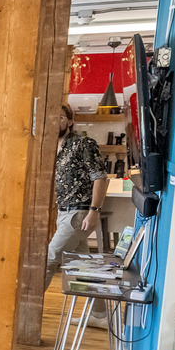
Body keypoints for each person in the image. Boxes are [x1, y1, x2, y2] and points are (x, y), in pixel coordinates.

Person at [46, 104, 109, 281]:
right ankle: (95, 300)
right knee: (82, 267)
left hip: (78, 213)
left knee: (49, 260)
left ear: (70, 121)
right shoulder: (53, 147)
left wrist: (94, 211)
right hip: (63, 212)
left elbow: (100, 177)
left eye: (60, 117)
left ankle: (27, 300)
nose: (54, 122)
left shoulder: (83, 143)